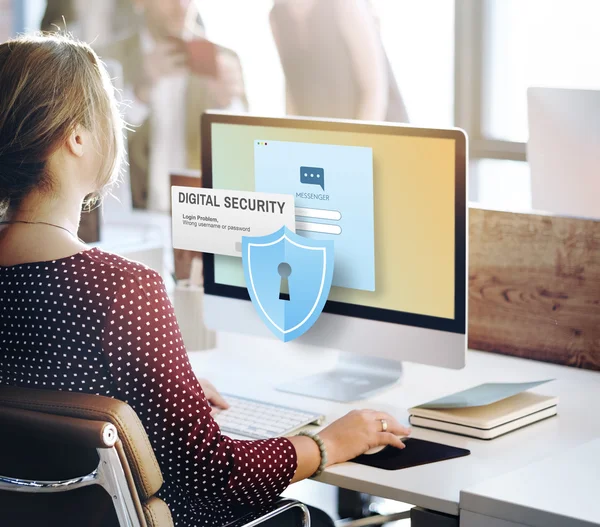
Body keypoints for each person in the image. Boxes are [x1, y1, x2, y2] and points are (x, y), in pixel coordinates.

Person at [0, 34, 410, 527]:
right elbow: (213, 476)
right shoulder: (121, 292)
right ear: (77, 137)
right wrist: (328, 444)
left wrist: (162, 386)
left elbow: (41, 386)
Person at [99, 0, 248, 212]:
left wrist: (225, 105)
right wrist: (139, 93)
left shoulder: (224, 59)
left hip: (201, 213)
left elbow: (242, 157)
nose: (181, 6)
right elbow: (97, 147)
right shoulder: (107, 59)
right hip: (131, 217)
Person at [270, 0, 409, 123]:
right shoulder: (276, 16)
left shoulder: (346, 4)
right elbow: (293, 86)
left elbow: (375, 90)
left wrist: (355, 144)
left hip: (378, 126)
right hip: (330, 136)